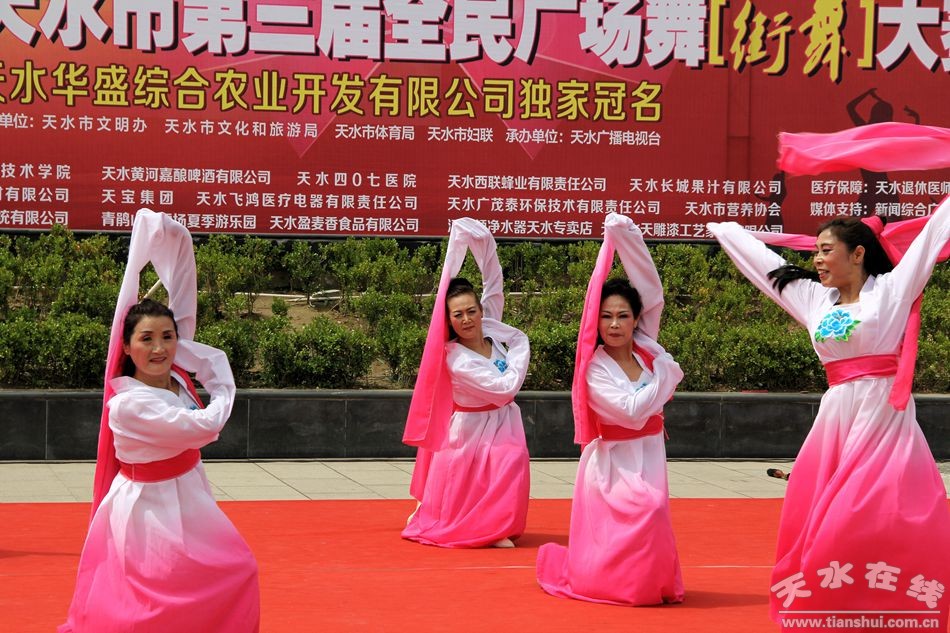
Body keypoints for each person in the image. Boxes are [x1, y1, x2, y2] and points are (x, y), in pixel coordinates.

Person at [708, 130, 950, 628]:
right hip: (837, 413)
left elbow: (932, 237)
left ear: (857, 254)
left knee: (869, 509)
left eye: (825, 250)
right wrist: (725, 228)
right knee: (826, 510)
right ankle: (833, 600)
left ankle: (890, 601)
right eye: (815, 251)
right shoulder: (815, 300)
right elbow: (765, 265)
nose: (816, 259)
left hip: (883, 414)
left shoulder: (892, 290)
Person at [59, 209, 260, 633]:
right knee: (150, 603)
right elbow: (203, 428)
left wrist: (172, 238)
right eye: (146, 339)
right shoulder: (129, 406)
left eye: (168, 338)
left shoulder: (177, 380)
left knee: (234, 570)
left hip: (188, 495)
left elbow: (183, 298)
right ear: (125, 347)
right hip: (148, 510)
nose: (159, 348)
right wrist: (222, 384)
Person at [536, 213, 684, 605]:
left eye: (623, 316)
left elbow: (652, 292)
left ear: (636, 320)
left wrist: (625, 236)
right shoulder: (594, 368)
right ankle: (610, 583)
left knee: (651, 521)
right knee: (644, 512)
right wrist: (667, 375)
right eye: (605, 316)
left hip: (649, 451)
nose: (614, 324)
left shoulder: (645, 350)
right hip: (612, 460)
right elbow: (631, 411)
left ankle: (649, 584)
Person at [402, 217, 530, 548]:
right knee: (470, 482)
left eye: (471, 311)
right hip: (469, 429)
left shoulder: (492, 330)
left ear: (480, 310)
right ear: (448, 320)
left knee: (509, 465)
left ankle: (497, 526)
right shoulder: (455, 358)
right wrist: (520, 344)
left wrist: (484, 245)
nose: (467, 319)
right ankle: (468, 524)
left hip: (503, 422)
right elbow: (505, 388)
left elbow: (494, 284)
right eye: (457, 315)